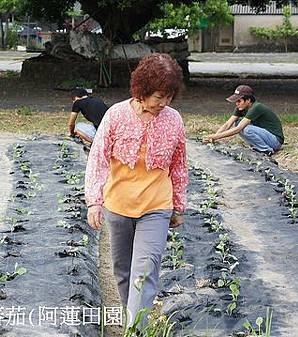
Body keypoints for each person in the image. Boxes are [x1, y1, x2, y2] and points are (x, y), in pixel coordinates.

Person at [84, 53, 188, 327]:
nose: (163, 103)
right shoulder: (116, 115)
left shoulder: (173, 120)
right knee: (123, 270)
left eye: (169, 97)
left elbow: (179, 164)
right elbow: (98, 157)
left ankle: (135, 329)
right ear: (142, 91)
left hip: (156, 206)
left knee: (144, 270)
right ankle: (133, 317)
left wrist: (178, 205)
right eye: (158, 97)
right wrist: (94, 201)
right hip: (118, 204)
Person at [203, 85, 284, 156]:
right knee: (238, 123)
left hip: (275, 141)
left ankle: (266, 150)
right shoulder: (240, 108)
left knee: (245, 129)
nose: (237, 103)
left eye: (239, 101)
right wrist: (213, 138)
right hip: (265, 136)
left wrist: (214, 136)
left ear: (248, 100)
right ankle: (257, 147)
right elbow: (227, 124)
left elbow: (238, 129)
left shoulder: (256, 107)